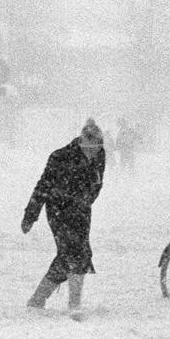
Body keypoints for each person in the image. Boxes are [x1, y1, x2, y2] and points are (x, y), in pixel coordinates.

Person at [22, 119, 105, 317]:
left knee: (75, 254)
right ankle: (72, 304)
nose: (94, 155)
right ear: (81, 144)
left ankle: (38, 298)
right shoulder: (60, 157)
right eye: (90, 150)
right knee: (74, 253)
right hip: (58, 210)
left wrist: (86, 201)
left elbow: (98, 182)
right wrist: (30, 216)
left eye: (97, 150)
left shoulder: (100, 154)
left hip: (82, 210)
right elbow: (42, 186)